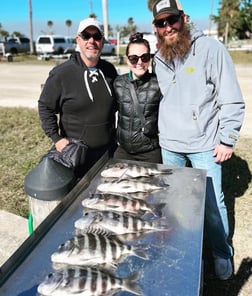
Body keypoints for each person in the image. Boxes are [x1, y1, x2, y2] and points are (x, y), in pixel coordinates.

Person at [152, 0, 245, 280]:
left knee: (212, 203)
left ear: (184, 18)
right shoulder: (159, 57)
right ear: (155, 28)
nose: (168, 27)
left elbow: (231, 97)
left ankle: (220, 252)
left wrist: (227, 139)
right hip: (170, 145)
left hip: (204, 144)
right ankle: (184, 248)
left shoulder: (210, 49)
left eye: (172, 20)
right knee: (177, 202)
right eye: (161, 23)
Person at [38, 18, 118, 178]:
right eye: (86, 36)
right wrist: (57, 139)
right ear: (78, 40)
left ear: (102, 41)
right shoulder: (62, 74)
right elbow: (45, 107)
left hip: (107, 154)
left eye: (97, 37)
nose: (91, 41)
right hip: (75, 156)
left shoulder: (109, 70)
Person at [113, 32, 162, 163]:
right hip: (123, 151)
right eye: (134, 58)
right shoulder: (118, 83)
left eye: (144, 57)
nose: (140, 62)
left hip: (150, 152)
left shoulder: (159, 84)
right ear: (127, 60)